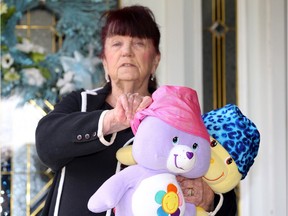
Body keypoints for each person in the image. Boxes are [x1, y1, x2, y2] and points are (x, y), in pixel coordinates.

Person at [35, 5, 237, 216]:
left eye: (138, 43)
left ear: (155, 60)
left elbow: (225, 189)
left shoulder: (177, 114)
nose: (127, 51)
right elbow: (46, 144)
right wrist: (111, 121)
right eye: (116, 43)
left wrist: (209, 199)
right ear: (104, 60)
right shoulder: (80, 103)